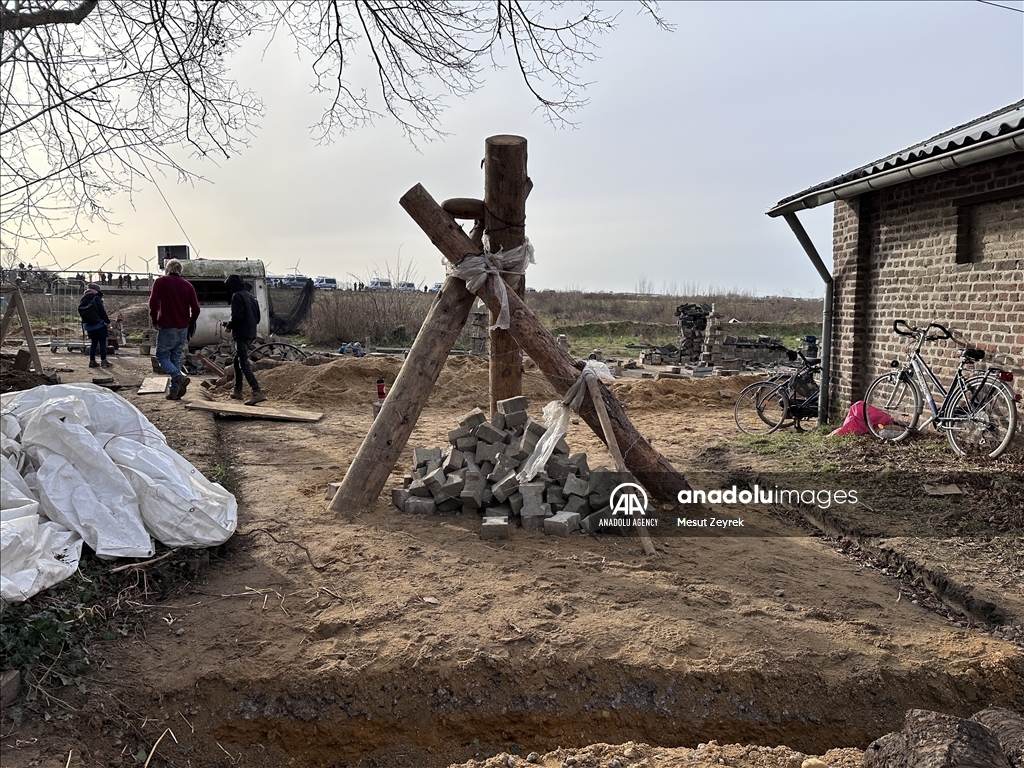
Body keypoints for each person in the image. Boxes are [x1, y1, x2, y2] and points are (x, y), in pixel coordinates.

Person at [149, 258, 200, 400]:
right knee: (175, 357)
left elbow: (153, 302)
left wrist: (154, 319)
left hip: (167, 325)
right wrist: (190, 321)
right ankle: (174, 391)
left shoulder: (160, 282)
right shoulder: (188, 286)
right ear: (180, 270)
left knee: (162, 356)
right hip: (182, 327)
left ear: (167, 269)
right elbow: (196, 308)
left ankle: (178, 376)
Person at [223, 274, 266, 405]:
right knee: (237, 360)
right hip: (251, 333)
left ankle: (257, 391)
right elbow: (257, 318)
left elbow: (238, 316)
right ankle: (237, 390)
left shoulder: (236, 296)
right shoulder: (251, 298)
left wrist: (229, 326)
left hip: (241, 334)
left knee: (243, 362)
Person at [78, 283, 112, 368]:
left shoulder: (83, 299)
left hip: (89, 325)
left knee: (93, 343)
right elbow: (102, 311)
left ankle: (92, 361)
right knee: (102, 343)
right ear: (96, 290)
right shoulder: (96, 298)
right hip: (99, 324)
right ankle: (104, 361)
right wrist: (107, 322)